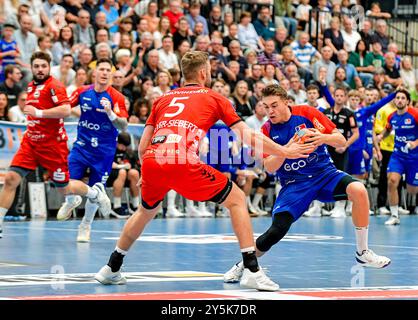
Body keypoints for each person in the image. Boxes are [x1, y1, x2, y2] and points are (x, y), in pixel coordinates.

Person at [94, 51, 314, 291]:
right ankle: (251, 270)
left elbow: (143, 146)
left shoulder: (163, 99)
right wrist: (284, 151)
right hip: (180, 159)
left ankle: (111, 267)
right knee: (237, 199)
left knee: (146, 211)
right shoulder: (213, 97)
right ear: (203, 73)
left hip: (152, 159)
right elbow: (248, 136)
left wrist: (147, 173)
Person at [223, 84, 391, 285]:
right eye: (266, 107)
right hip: (295, 184)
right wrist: (286, 149)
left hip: (324, 174)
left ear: (287, 102)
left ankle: (363, 252)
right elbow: (269, 167)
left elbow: (339, 140)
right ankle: (243, 265)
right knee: (275, 232)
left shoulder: (308, 113)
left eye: (274, 105)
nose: (270, 111)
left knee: (358, 189)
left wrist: (322, 138)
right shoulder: (266, 129)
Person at [0, 52, 111, 238]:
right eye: (36, 66)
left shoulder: (54, 86)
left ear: (49, 67)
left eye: (43, 66)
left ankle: (94, 193)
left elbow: (66, 109)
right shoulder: (30, 86)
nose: (40, 69)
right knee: (11, 179)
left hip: (52, 145)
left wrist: (39, 113)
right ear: (32, 67)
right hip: (31, 142)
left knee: (64, 188)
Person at [56, 58, 128, 243]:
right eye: (101, 69)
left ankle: (85, 225)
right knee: (65, 180)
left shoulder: (117, 97)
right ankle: (71, 201)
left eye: (107, 70)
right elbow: (65, 107)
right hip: (82, 146)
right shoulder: (82, 92)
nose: (104, 73)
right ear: (94, 73)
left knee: (98, 186)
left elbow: (124, 125)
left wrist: (111, 113)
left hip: (104, 151)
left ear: (111, 74)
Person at [375, 90, 418, 225]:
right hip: (398, 155)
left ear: (407, 101)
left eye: (402, 98)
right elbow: (388, 129)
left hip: (414, 157)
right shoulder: (391, 116)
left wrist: (414, 143)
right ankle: (394, 216)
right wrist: (381, 136)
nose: (399, 100)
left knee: (412, 190)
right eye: (397, 98)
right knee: (392, 181)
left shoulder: (414, 114)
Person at [322, 86, 359, 217]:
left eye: (341, 96)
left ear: (345, 98)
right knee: (322, 175)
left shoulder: (349, 114)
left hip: (340, 151)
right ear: (333, 96)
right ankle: (318, 207)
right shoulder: (325, 112)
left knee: (340, 177)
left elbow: (356, 133)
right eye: (336, 95)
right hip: (325, 150)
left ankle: (340, 207)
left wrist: (345, 145)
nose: (339, 98)